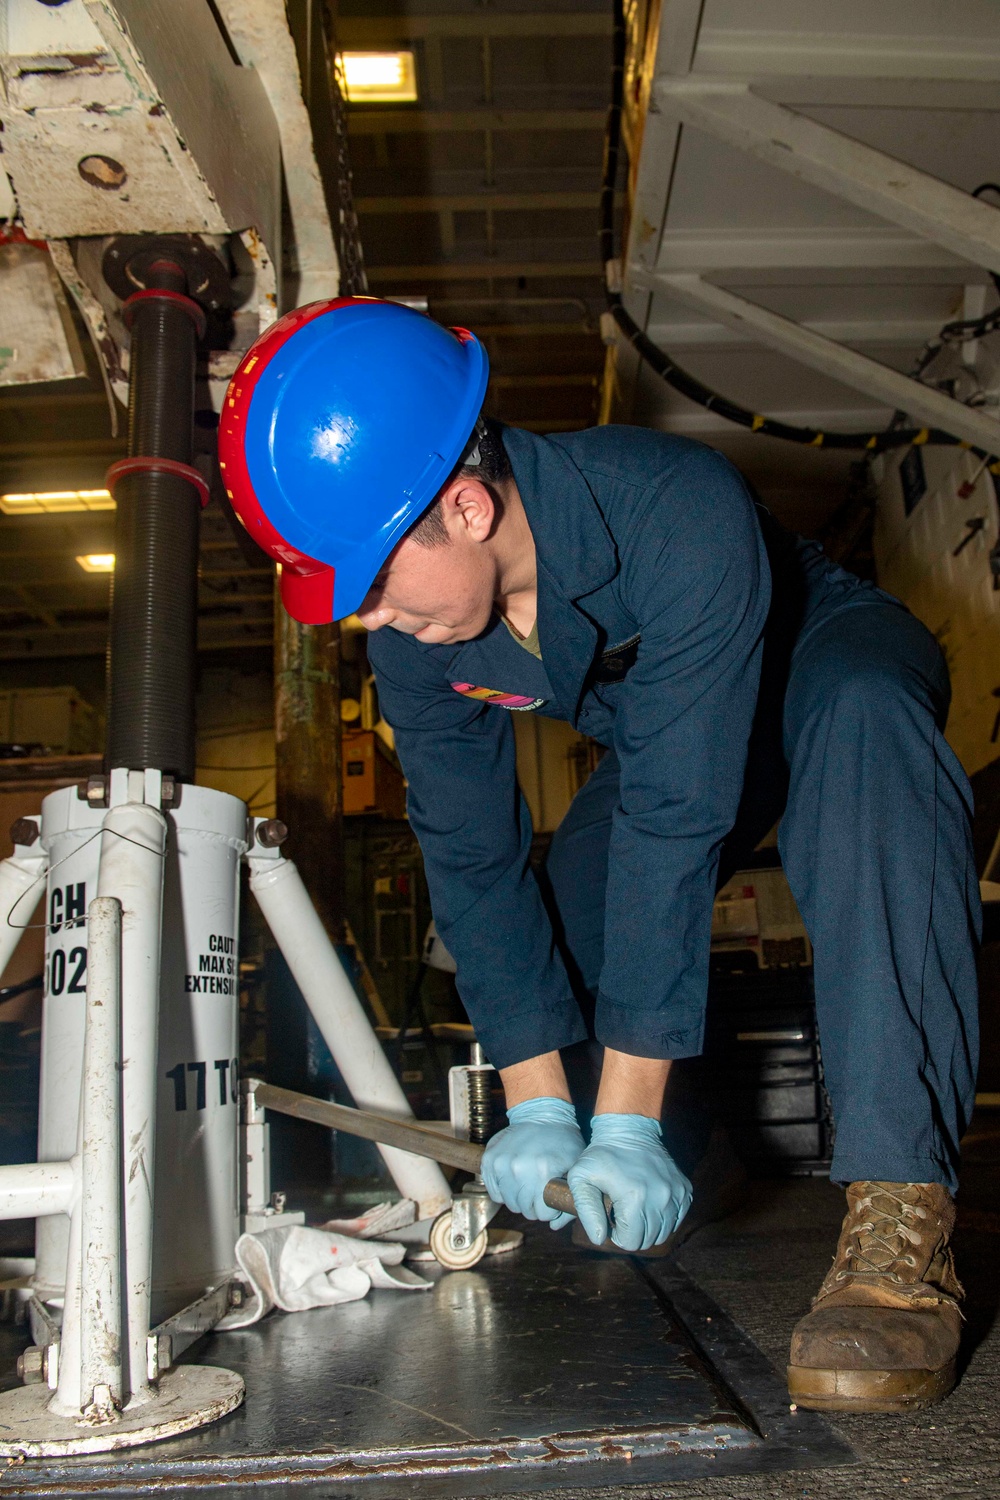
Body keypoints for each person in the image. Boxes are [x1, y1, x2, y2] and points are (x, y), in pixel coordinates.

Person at [220, 297, 980, 1415]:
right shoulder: (418, 636)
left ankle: (898, 1222)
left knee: (866, 729)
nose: (367, 621)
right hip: (659, 729)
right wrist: (537, 1104)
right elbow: (472, 860)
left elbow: (677, 825)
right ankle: (686, 1168)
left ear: (467, 506)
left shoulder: (673, 509)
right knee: (577, 900)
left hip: (809, 663)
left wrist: (613, 1114)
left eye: (374, 585)